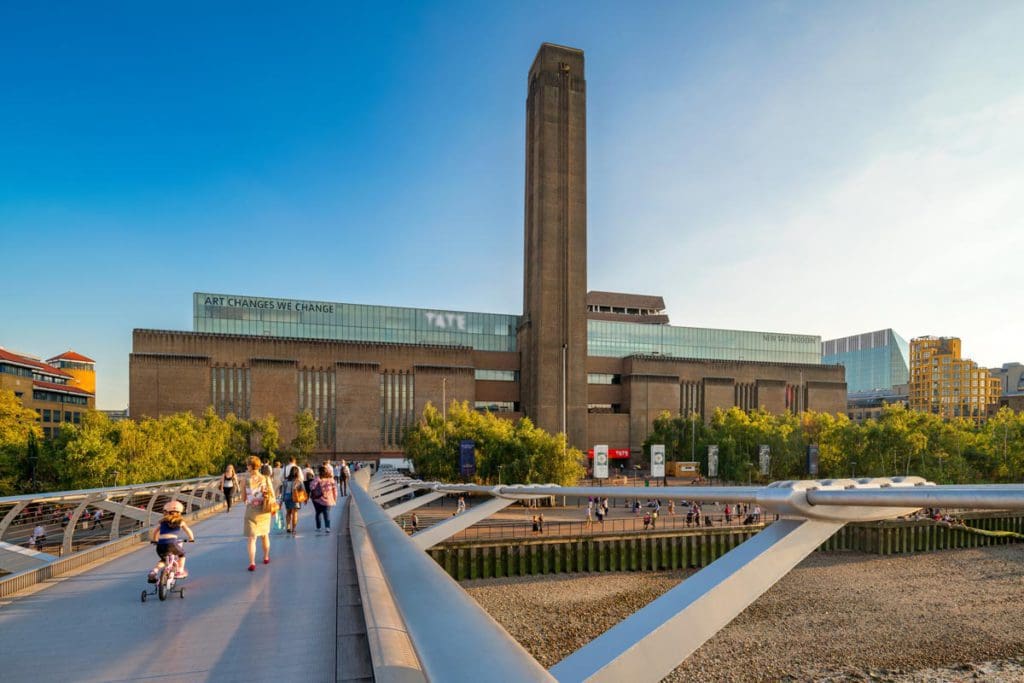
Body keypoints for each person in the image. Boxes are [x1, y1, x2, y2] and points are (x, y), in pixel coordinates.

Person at [243, 456, 274, 571]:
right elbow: (272, 495)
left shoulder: (245, 480)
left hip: (251, 510)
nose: (247, 467)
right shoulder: (266, 479)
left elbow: (243, 497)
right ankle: (266, 557)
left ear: (251, 466)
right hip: (264, 510)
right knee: (265, 535)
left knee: (252, 538)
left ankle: (252, 563)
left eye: (247, 465)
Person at [150, 501, 194, 579]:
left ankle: (154, 571)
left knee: (163, 560)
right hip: (172, 544)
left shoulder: (163, 521)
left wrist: (155, 540)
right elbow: (188, 530)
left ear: (166, 512)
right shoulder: (180, 521)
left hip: (160, 545)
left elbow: (155, 531)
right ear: (180, 512)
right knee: (182, 554)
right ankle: (180, 571)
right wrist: (191, 538)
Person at [310, 465, 338, 533]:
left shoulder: (317, 479)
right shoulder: (331, 480)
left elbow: (311, 487)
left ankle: (318, 527)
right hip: (328, 499)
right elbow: (335, 490)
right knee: (327, 513)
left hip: (317, 499)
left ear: (319, 472)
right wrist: (335, 498)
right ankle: (327, 527)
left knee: (318, 513)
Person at [282, 466, 304, 534]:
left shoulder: (285, 481)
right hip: (296, 498)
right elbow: (303, 490)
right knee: (295, 513)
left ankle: (288, 527)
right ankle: (294, 529)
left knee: (288, 512)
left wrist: (282, 499)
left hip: (287, 497)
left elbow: (283, 491)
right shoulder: (299, 481)